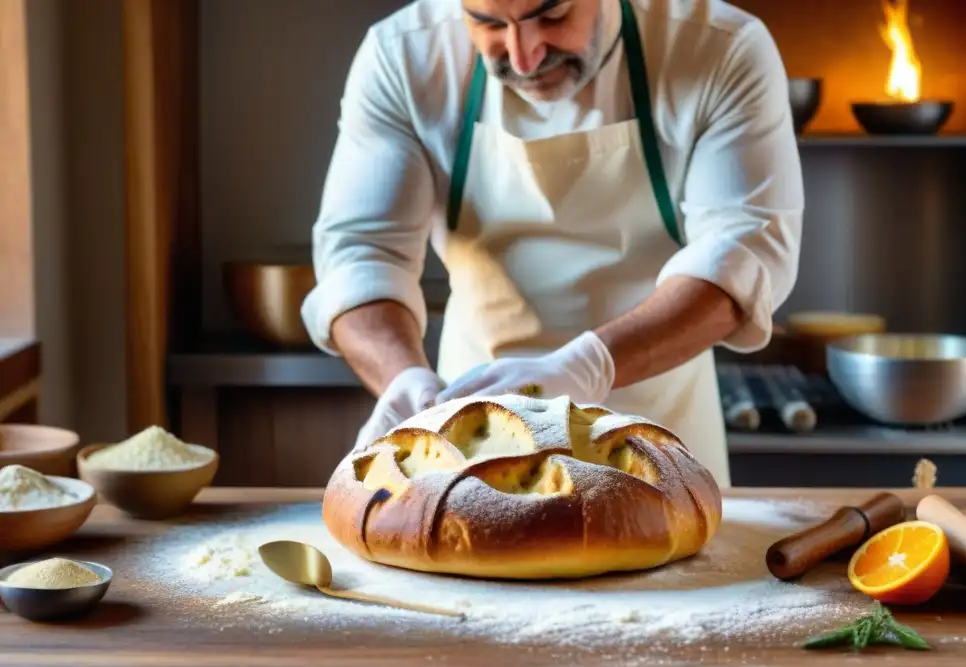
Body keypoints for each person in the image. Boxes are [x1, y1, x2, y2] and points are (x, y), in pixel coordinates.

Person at [301, 0, 803, 492]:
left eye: (552, 15)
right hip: (473, 437)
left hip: (656, 437)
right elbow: (362, 252)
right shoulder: (404, 55)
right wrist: (404, 380)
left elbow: (745, 250)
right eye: (487, 22)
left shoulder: (719, 47)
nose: (524, 56)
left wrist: (591, 365)